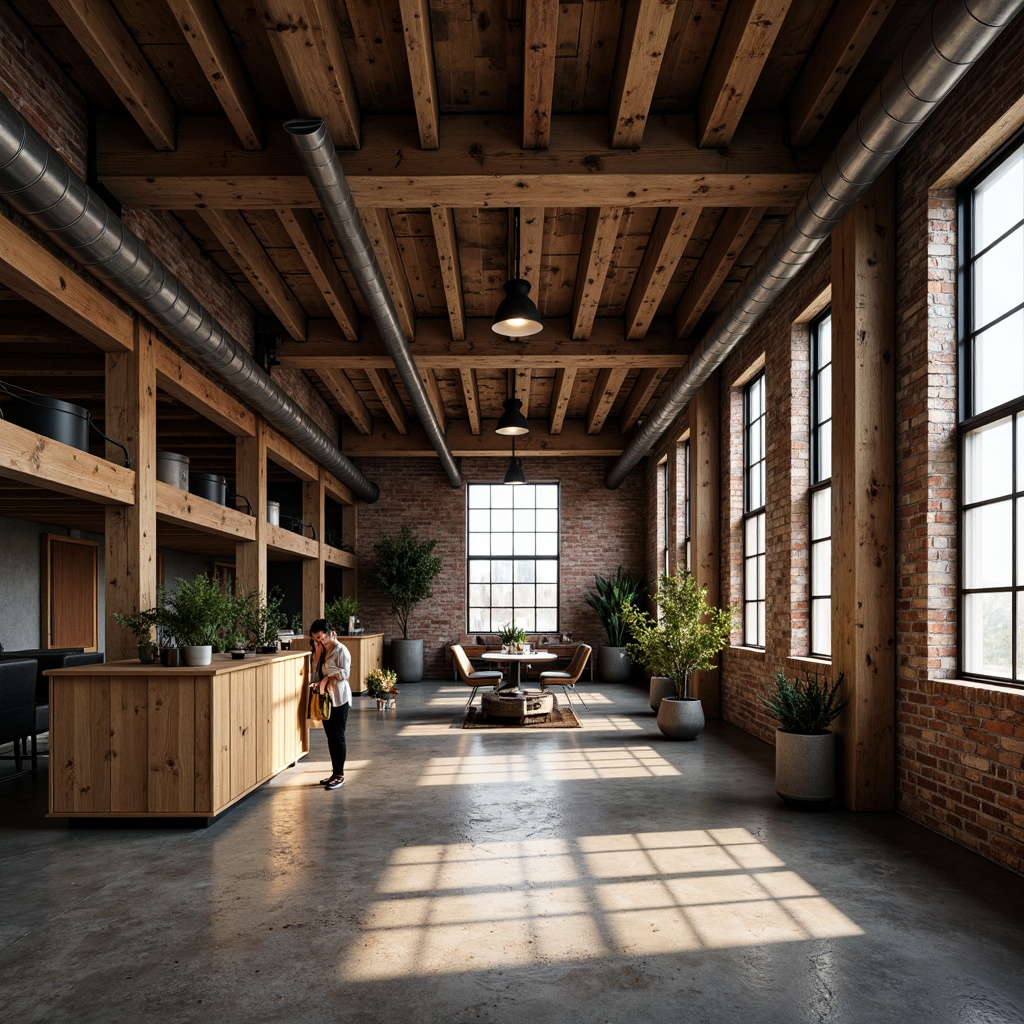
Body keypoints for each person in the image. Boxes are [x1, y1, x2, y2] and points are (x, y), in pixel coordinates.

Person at [309, 617, 352, 790]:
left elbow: (345, 674)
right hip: (326, 698)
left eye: (320, 637)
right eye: (315, 638)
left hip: (340, 698)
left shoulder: (340, 649)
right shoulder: (321, 650)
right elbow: (316, 673)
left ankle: (340, 775)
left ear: (328, 633)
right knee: (330, 737)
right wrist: (317, 654)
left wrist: (328, 678)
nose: (318, 640)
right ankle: (335, 773)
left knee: (338, 736)